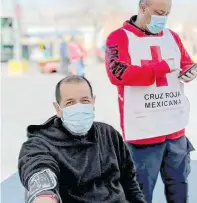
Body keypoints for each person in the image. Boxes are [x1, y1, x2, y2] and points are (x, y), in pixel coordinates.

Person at [104, 0, 196, 203]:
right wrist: (160, 68)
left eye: (167, 14)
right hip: (143, 134)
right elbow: (118, 74)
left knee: (179, 191)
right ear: (143, 7)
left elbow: (185, 62)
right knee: (139, 194)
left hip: (175, 131)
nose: (163, 19)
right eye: (159, 13)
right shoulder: (118, 38)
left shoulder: (172, 36)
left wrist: (189, 72)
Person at [18, 75, 145, 203]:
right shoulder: (41, 144)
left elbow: (129, 182)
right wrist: (44, 196)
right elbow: (38, 169)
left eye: (84, 101)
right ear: (58, 109)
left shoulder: (109, 134)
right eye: (70, 103)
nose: (78, 107)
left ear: (93, 101)